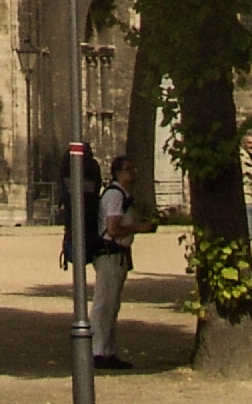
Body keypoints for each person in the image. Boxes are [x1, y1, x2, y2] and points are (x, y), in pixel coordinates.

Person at [92, 153, 139, 370]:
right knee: (105, 304)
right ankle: (98, 352)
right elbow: (113, 229)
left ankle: (107, 350)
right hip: (110, 253)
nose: (133, 173)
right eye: (129, 169)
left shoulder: (121, 194)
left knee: (111, 304)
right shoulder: (115, 196)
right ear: (118, 172)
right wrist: (139, 227)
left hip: (117, 255)